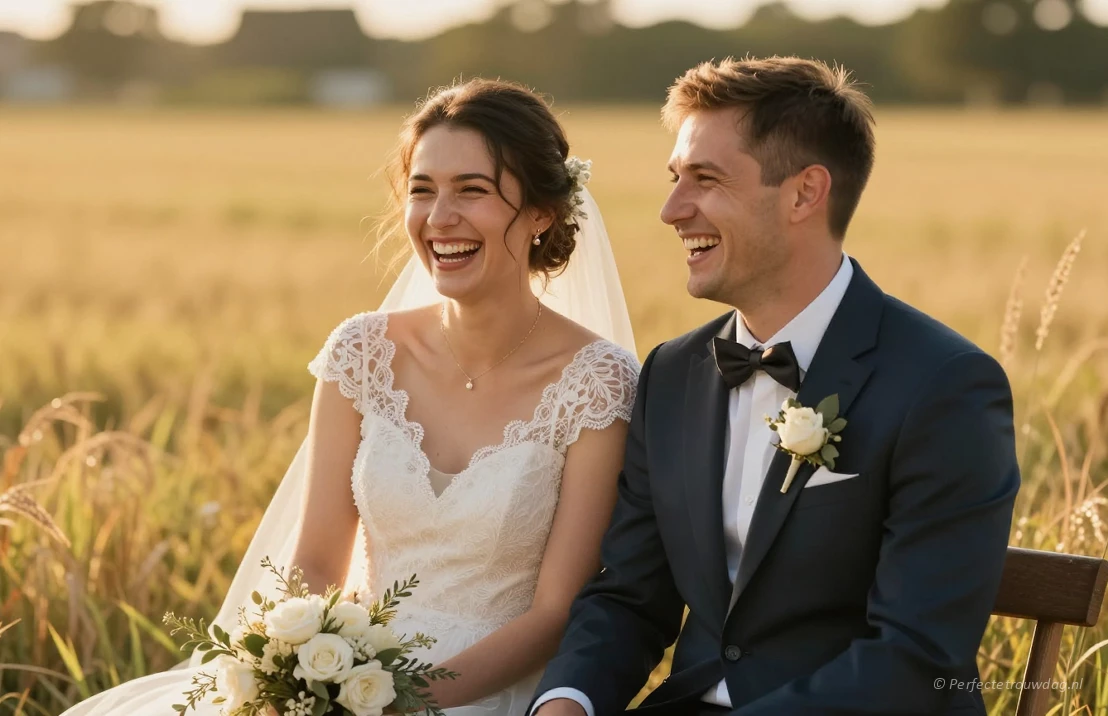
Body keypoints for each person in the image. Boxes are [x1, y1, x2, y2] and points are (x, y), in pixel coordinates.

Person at [61, 78, 641, 716]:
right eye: (422, 190)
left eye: (472, 190)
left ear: (541, 213)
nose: (439, 217)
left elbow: (555, 613)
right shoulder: (361, 354)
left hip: (492, 689)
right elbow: (314, 561)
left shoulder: (596, 382)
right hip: (349, 681)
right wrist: (303, 679)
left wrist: (402, 700)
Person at [531, 56, 1020, 716]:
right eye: (676, 179)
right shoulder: (671, 374)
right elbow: (629, 596)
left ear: (803, 194)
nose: (672, 210)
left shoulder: (945, 386)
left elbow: (915, 658)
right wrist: (567, 702)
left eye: (706, 179)